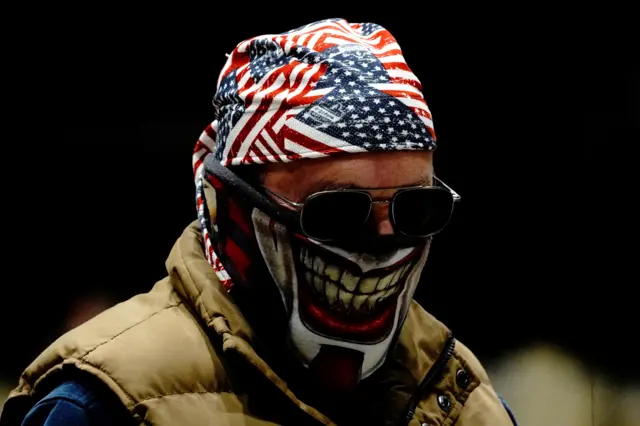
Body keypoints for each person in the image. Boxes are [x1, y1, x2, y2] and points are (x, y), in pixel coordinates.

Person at [1, 19, 518, 425]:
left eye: (416, 210)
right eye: (337, 211)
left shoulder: (463, 400)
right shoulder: (103, 404)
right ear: (232, 204)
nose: (383, 240)